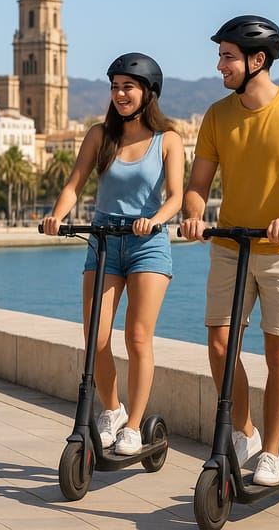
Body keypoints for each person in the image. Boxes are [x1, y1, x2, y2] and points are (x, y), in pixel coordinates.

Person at [180, 15, 279, 485]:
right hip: (231, 244)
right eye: (221, 56)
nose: (219, 66)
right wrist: (193, 214)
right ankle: (244, 431)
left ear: (258, 60)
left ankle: (271, 452)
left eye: (227, 57)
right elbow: (197, 184)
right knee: (218, 343)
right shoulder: (216, 115)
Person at [42, 53, 183, 455]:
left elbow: (175, 198)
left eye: (129, 87)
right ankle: (113, 409)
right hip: (103, 240)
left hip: (147, 244)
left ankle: (134, 426)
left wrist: (154, 219)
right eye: (116, 87)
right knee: (95, 337)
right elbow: (74, 184)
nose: (120, 94)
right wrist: (56, 215)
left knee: (138, 337)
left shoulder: (167, 140)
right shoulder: (98, 135)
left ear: (148, 93)